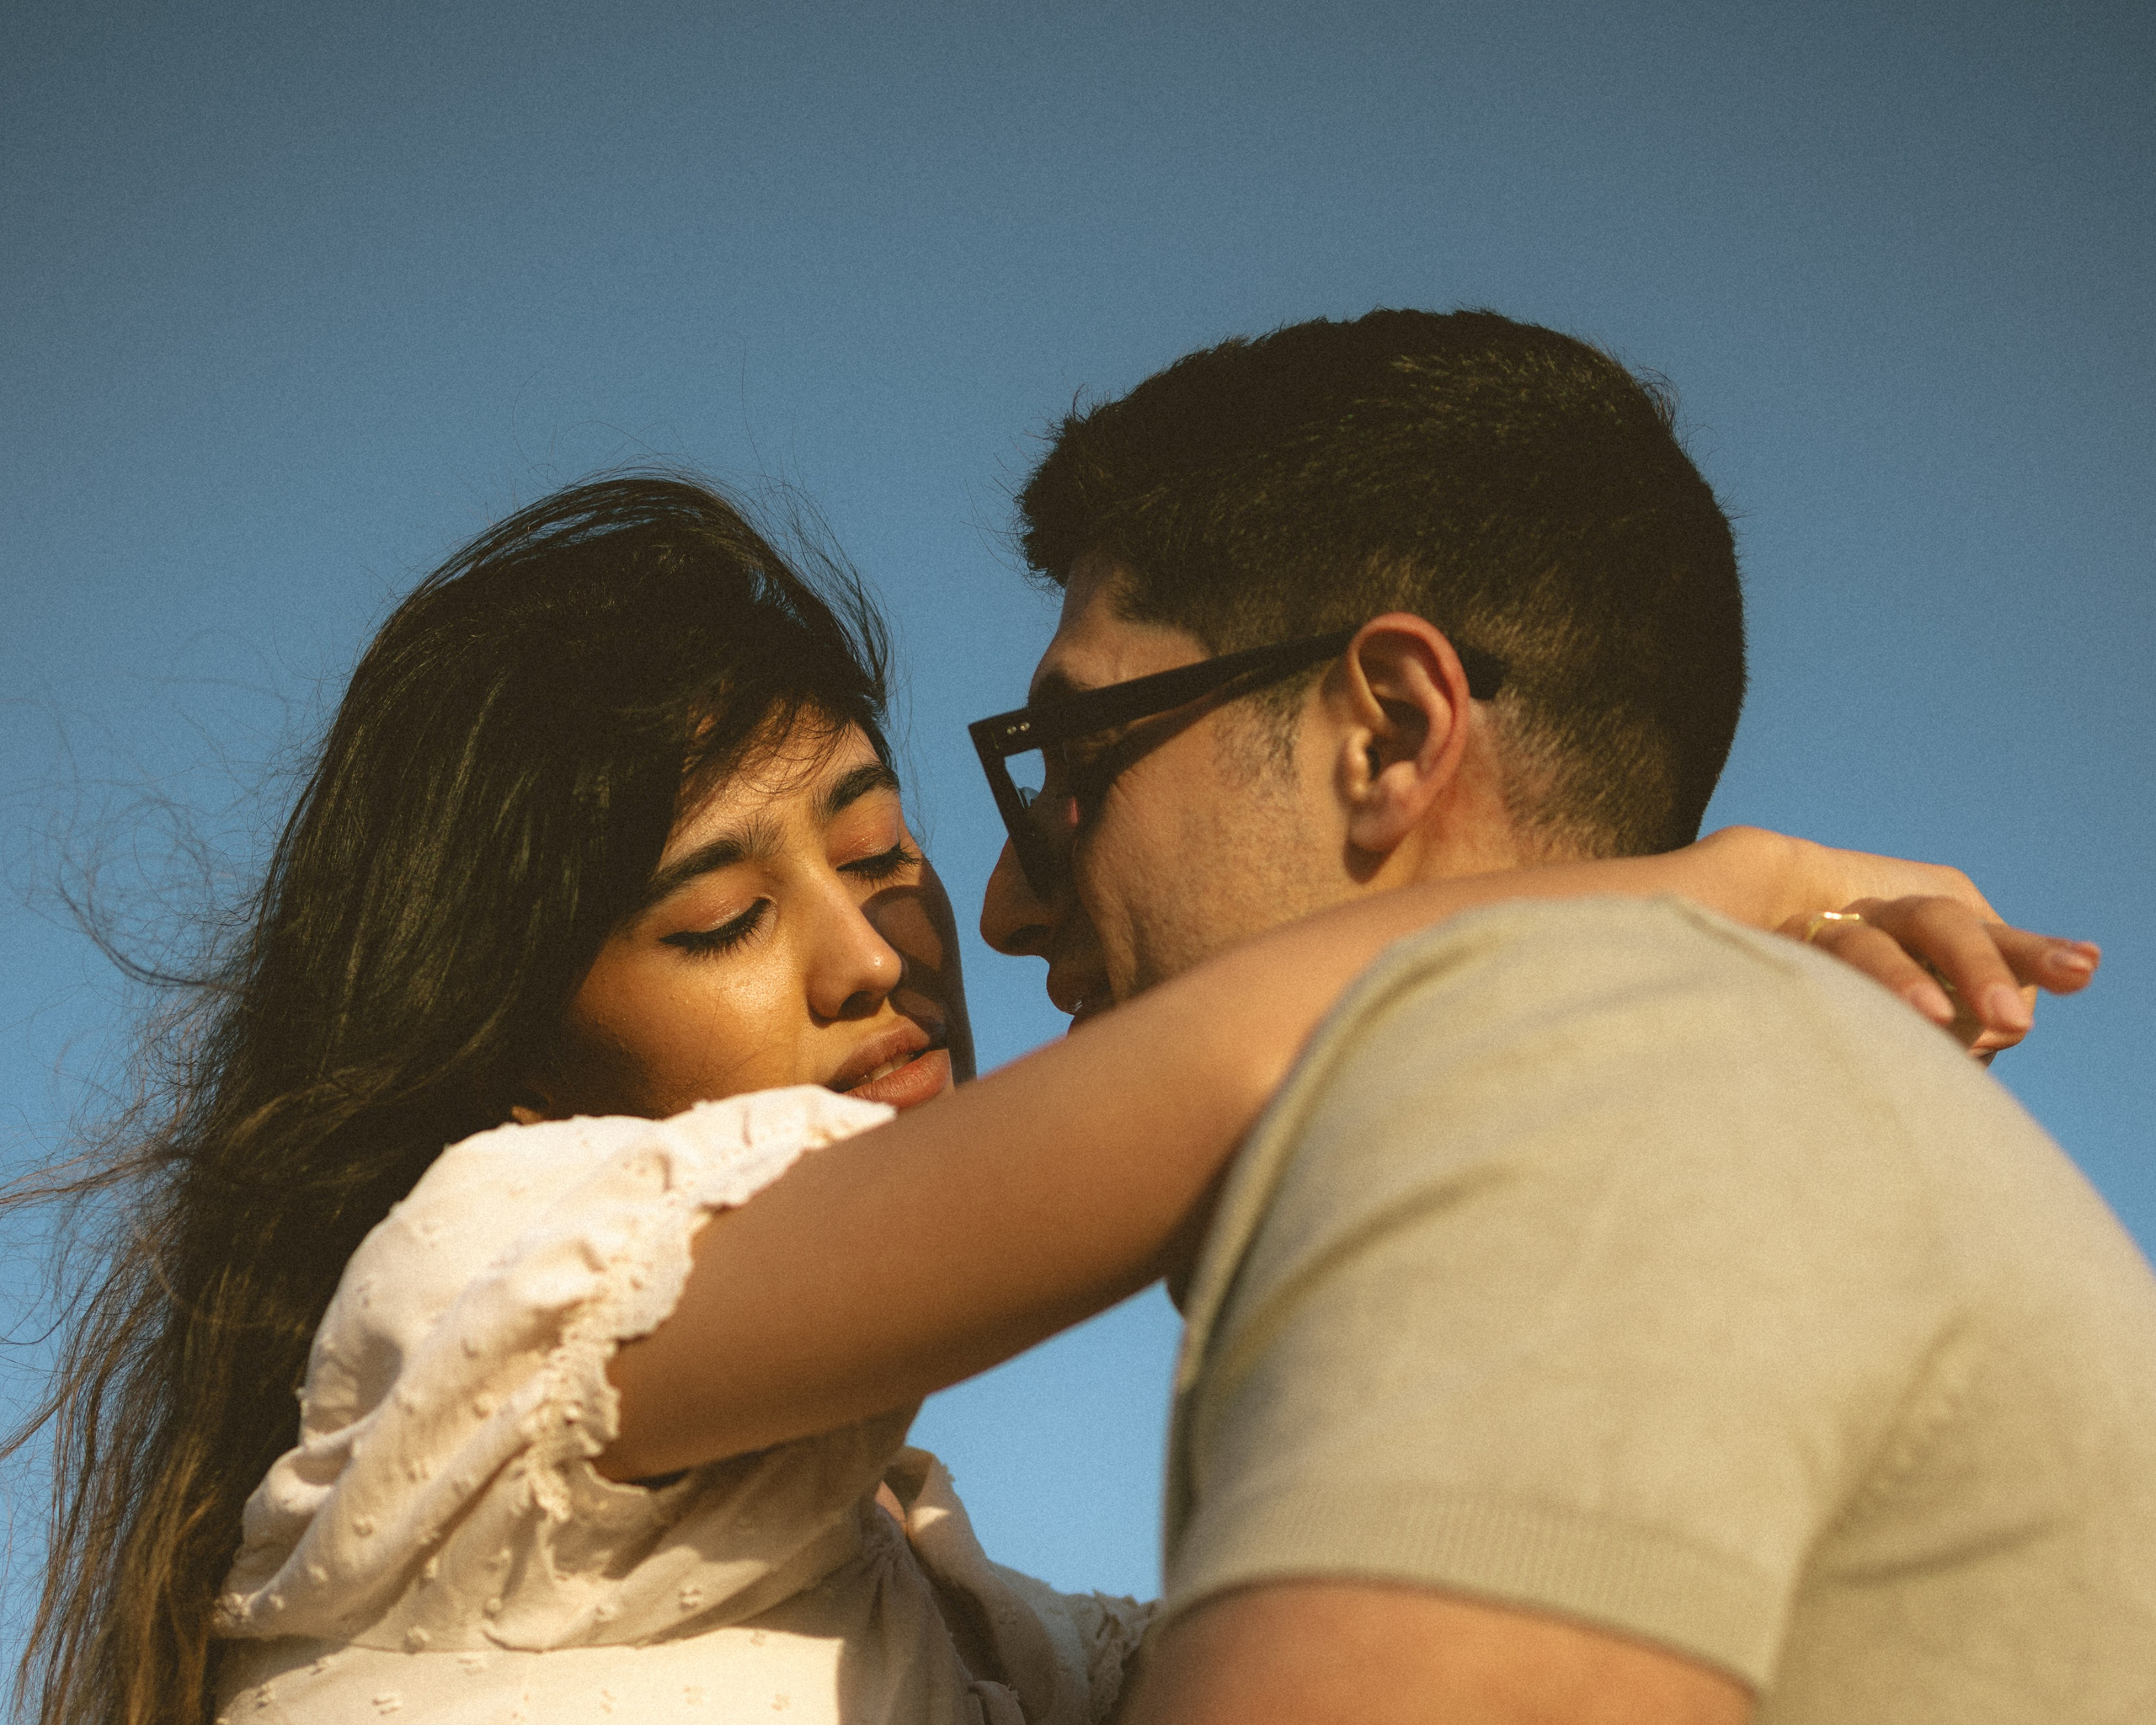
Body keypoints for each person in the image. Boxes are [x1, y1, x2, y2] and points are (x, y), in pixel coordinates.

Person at [3, 473, 2080, 1725]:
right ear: (523, 1048)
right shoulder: (491, 1283)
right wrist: (1700, 902)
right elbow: (1234, 1070)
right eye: (717, 917)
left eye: (879, 848)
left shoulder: (902, 1593)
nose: (876, 950)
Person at [964, 308, 2156, 1722]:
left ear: (1388, 740)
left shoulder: (1563, 1075)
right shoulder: (1697, 1087)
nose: (1004, 902)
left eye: (1078, 759)